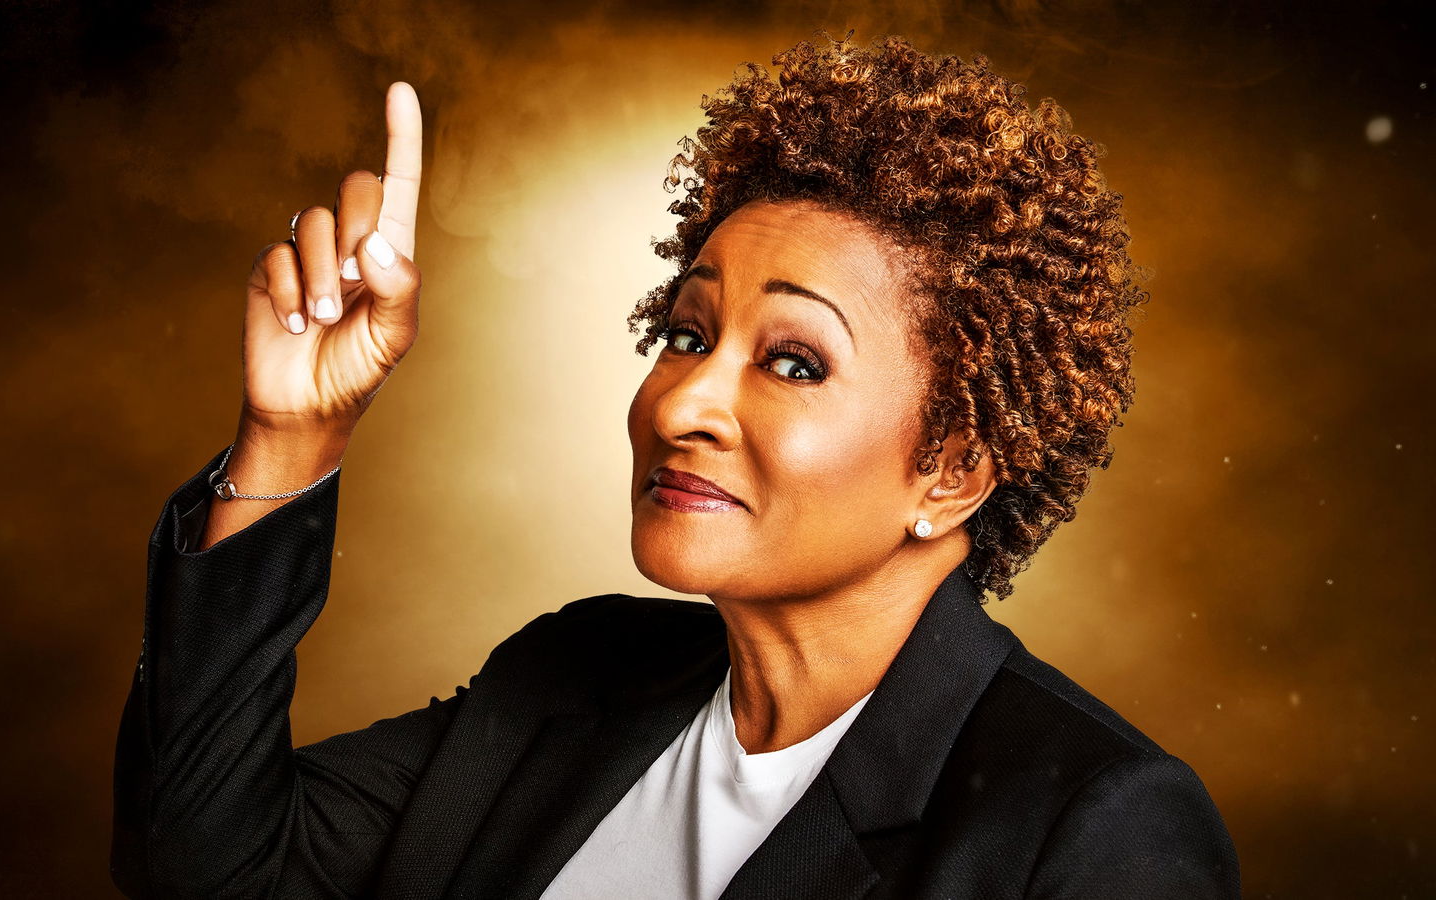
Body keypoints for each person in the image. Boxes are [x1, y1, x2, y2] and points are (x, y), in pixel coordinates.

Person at [111, 34, 1240, 899]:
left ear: (951, 470)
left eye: (794, 363)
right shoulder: (572, 675)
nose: (684, 403)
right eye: (688, 336)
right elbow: (199, 867)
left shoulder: (1090, 826)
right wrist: (293, 435)